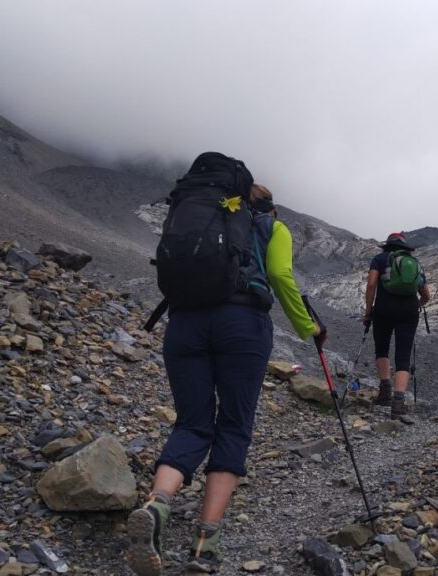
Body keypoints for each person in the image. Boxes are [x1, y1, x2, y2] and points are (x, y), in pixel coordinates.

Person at [127, 181, 324, 575]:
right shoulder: (272, 227)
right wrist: (310, 328)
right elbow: (281, 276)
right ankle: (205, 544)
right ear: (271, 208)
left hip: (184, 323)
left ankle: (158, 503)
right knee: (233, 425)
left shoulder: (198, 219)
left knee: (192, 423)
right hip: (243, 326)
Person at [362, 232, 430, 418]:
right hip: (408, 312)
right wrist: (415, 306)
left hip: (383, 309)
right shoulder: (414, 263)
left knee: (382, 349)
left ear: (387, 245)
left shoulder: (379, 259)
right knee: (403, 355)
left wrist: (369, 312)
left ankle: (385, 392)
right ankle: (398, 404)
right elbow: (426, 295)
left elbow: (371, 285)